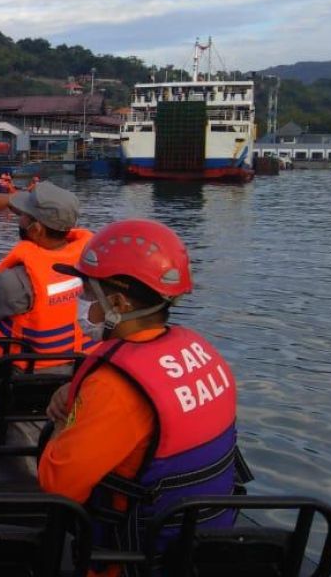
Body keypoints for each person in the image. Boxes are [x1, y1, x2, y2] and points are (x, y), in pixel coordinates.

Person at [39, 219, 246, 574]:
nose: (87, 310)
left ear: (118, 302)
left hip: (138, 557)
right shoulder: (201, 350)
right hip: (206, 544)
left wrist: (64, 417)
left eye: (91, 296)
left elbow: (57, 487)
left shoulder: (114, 385)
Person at [0, 181, 93, 362]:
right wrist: (9, 200)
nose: (19, 218)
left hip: (26, 377)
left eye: (23, 215)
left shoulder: (19, 280)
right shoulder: (91, 257)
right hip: (79, 365)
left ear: (36, 229)